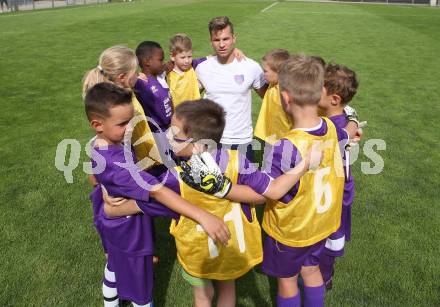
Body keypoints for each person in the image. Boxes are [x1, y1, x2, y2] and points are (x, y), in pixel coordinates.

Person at [104, 98, 321, 307]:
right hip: (232, 247)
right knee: (227, 289)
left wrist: (110, 206)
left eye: (175, 136)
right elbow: (269, 191)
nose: (168, 137)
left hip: (197, 252)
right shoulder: (239, 161)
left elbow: (148, 202)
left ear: (198, 146)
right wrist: (304, 165)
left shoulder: (174, 177)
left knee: (202, 296)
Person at [85, 83, 230, 307]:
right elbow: (158, 191)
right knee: (140, 290)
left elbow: (98, 176)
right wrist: (202, 215)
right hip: (129, 233)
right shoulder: (117, 162)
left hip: (115, 228)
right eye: (123, 123)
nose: (130, 128)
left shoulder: (104, 143)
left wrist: (105, 189)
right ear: (97, 124)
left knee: (114, 266)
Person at [260, 55, 347, 307]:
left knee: (287, 280)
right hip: (322, 223)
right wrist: (353, 125)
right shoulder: (332, 128)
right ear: (321, 91)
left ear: (285, 98)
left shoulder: (285, 147)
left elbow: (270, 191)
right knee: (311, 270)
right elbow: (346, 133)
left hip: (291, 230)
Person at [195, 16, 268, 159]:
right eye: (217, 40)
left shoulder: (251, 67)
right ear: (211, 41)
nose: (221, 45)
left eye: (226, 39)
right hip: (212, 140)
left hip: (242, 141)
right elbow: (187, 95)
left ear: (234, 38)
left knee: (245, 181)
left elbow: (269, 98)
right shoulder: (202, 68)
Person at [82, 45, 161, 171]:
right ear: (122, 77)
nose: (138, 73)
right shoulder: (119, 104)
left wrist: (136, 76)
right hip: (138, 164)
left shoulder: (122, 90)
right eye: (135, 71)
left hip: (144, 158)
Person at [318, 63, 360, 290]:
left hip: (333, 193)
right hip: (339, 187)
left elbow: (342, 136)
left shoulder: (329, 129)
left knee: (328, 238)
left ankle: (323, 278)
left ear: (334, 99)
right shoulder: (341, 116)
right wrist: (353, 118)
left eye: (318, 88)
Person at [254, 49, 292, 144]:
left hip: (285, 137)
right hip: (272, 135)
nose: (263, 74)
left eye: (265, 71)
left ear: (279, 72)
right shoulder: (273, 84)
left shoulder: (287, 91)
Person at [166, 33, 207, 106]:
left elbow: (209, 58)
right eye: (183, 57)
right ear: (172, 56)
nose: (187, 61)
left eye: (189, 56)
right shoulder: (168, 75)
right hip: (178, 115)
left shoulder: (193, 66)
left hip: (195, 111)